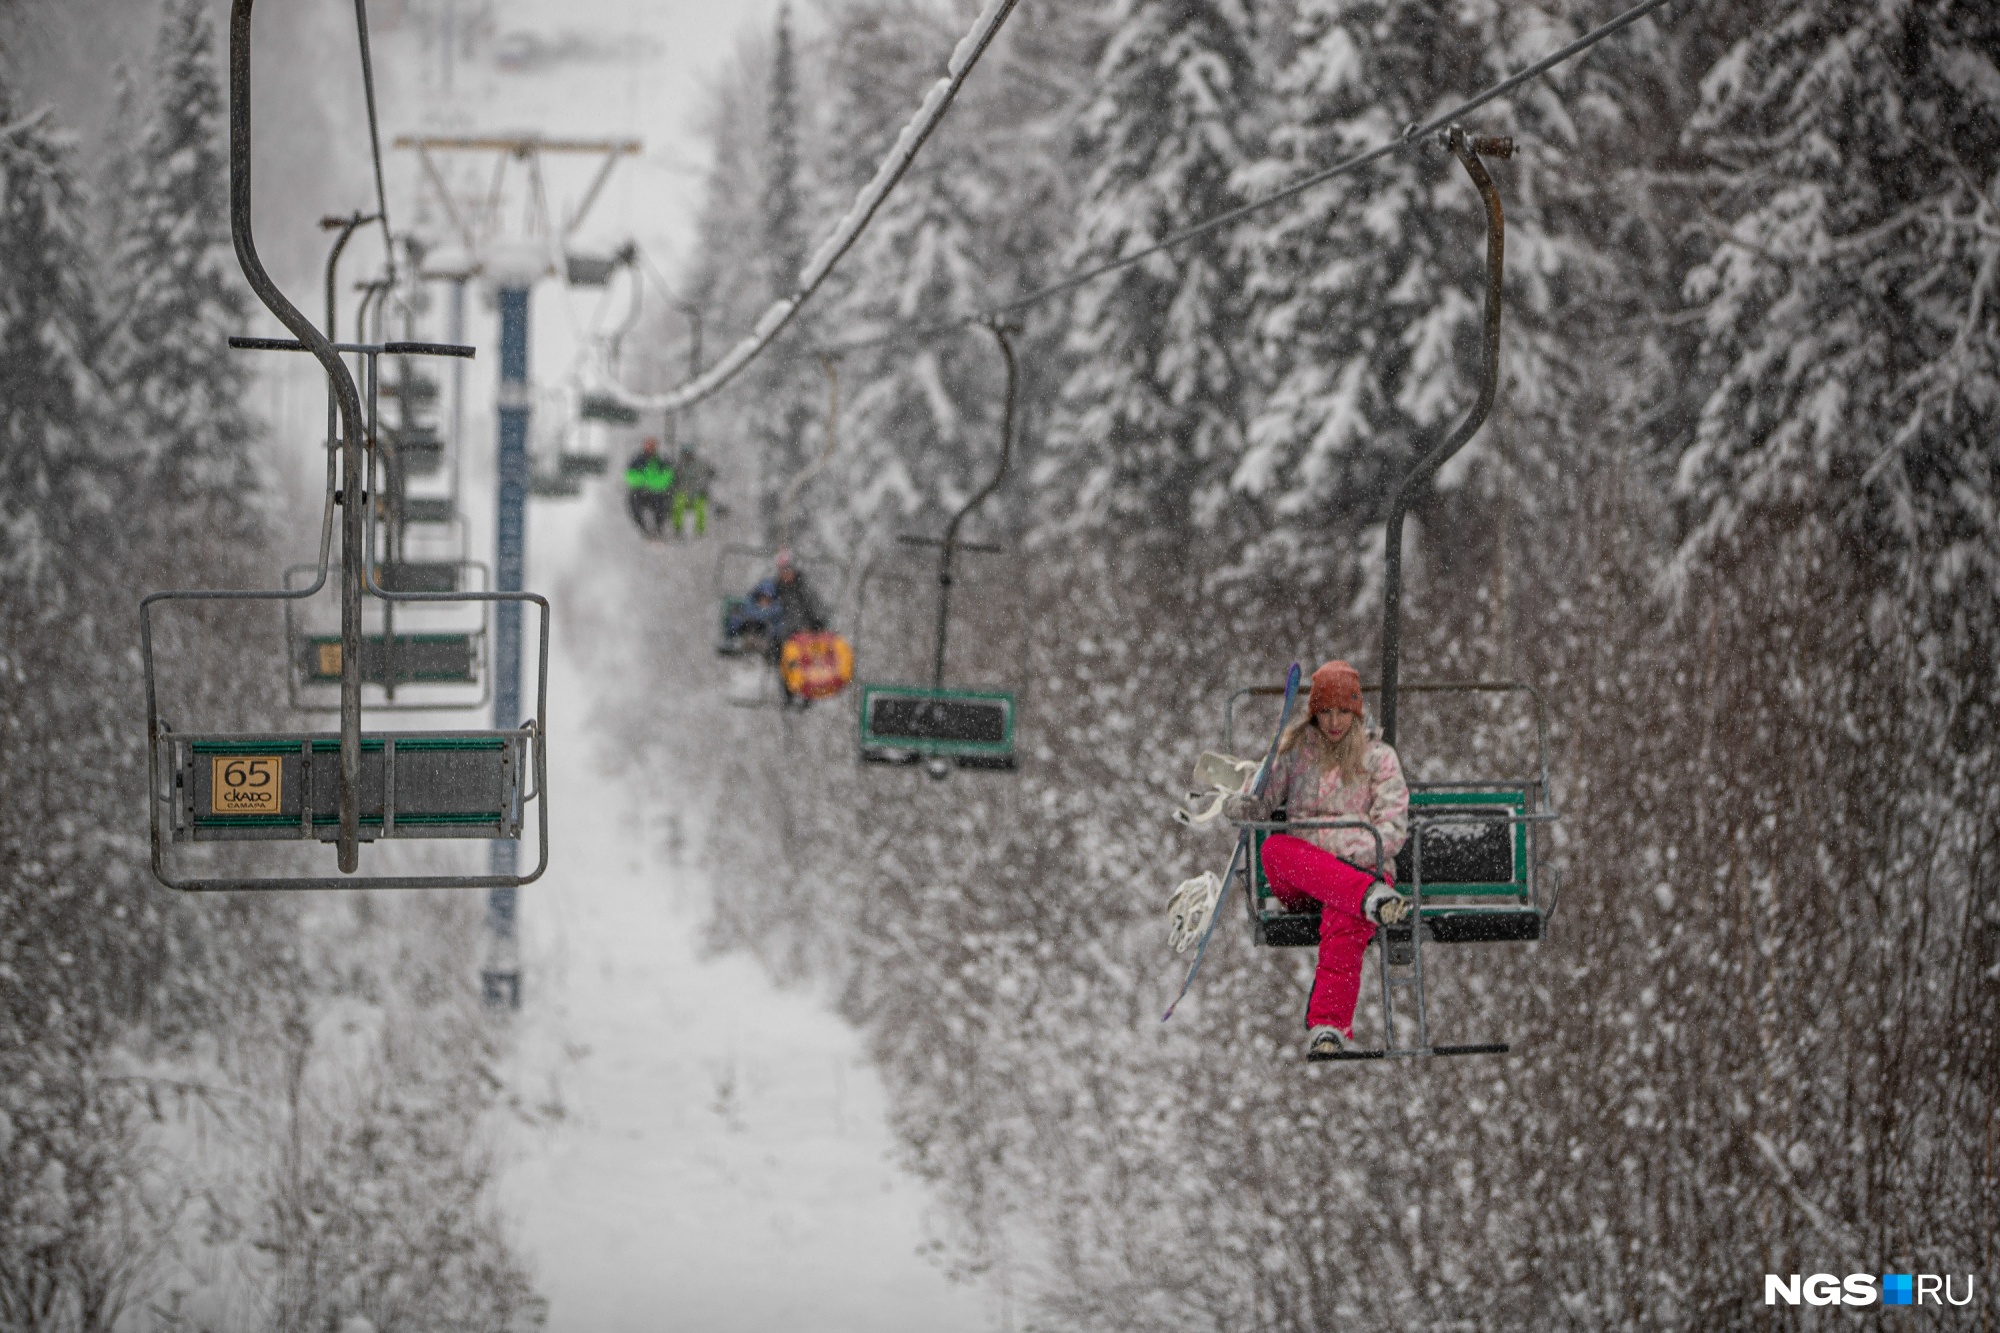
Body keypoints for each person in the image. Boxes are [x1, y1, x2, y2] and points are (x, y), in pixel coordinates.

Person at [1238, 659, 1411, 1059]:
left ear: (1356, 713)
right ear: (1314, 714)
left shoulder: (1379, 758)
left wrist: (1358, 854)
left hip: (1358, 868)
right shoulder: (1296, 754)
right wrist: (1248, 796)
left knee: (1345, 913)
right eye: (1326, 712)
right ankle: (1369, 897)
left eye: (1343, 712)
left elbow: (1393, 826)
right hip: (1309, 876)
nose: (1334, 722)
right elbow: (1261, 800)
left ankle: (1327, 1027)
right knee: (1274, 849)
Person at [624, 438, 675, 537]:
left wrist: (649, 482)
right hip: (641, 492)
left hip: (657, 493)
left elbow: (668, 477)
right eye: (648, 445)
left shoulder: (661, 461)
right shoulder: (637, 461)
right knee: (635, 505)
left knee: (663, 506)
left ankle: (658, 529)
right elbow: (629, 476)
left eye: (652, 445)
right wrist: (648, 481)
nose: (650, 448)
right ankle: (644, 529)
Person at [671, 446, 712, 537]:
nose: (687, 456)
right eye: (685, 455)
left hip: (697, 492)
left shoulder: (700, 465)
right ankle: (678, 528)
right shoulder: (678, 465)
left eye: (688, 454)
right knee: (677, 506)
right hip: (683, 492)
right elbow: (674, 480)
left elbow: (708, 475)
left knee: (700, 508)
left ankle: (700, 530)